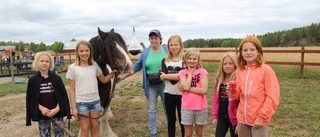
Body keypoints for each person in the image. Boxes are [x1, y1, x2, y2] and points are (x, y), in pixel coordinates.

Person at [117, 29, 168, 137]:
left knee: (167, 108)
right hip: (150, 86)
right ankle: (153, 131)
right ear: (149, 40)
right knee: (152, 109)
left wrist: (165, 68)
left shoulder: (166, 50)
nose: (154, 40)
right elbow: (136, 67)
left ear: (160, 39)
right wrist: (123, 77)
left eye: (156, 38)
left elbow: (174, 62)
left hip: (165, 84)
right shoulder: (145, 52)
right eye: (151, 38)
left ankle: (170, 127)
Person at [230, 36, 280, 137]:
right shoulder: (240, 71)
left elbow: (272, 97)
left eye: (252, 49)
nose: (248, 52)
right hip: (242, 119)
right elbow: (238, 97)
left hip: (258, 119)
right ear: (241, 53)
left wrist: (262, 117)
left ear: (258, 52)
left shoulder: (266, 70)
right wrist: (233, 90)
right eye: (245, 50)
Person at [66, 40, 117, 137]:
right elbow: (71, 89)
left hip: (95, 102)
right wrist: (73, 108)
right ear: (77, 52)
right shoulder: (73, 68)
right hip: (81, 104)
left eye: (86, 50)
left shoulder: (94, 66)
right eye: (81, 51)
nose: (84, 53)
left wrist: (112, 73)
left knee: (94, 128)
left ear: (90, 52)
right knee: (85, 129)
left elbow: (103, 79)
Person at [26, 51, 71, 137]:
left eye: (47, 61)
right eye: (42, 61)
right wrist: (41, 108)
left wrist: (57, 109)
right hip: (42, 115)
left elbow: (63, 96)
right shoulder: (33, 80)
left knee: (60, 134)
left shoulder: (56, 78)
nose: (44, 63)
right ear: (37, 62)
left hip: (57, 114)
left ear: (50, 63)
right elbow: (31, 98)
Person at [178, 48, 209, 137]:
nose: (191, 61)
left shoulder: (203, 72)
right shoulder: (182, 72)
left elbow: (203, 90)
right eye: (189, 58)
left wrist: (185, 89)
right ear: (185, 59)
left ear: (198, 60)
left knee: (199, 133)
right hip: (187, 108)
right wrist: (190, 73)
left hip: (201, 107)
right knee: (188, 133)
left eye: (194, 59)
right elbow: (186, 86)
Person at [160, 35, 185, 137]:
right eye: (171, 45)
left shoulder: (184, 60)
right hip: (168, 93)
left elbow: (183, 76)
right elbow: (162, 77)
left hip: (182, 94)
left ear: (180, 45)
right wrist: (167, 76)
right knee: (171, 120)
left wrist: (167, 76)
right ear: (168, 46)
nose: (173, 47)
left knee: (183, 120)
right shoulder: (165, 60)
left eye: (176, 44)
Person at [212, 52, 239, 137]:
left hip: (235, 118)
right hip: (222, 117)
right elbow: (215, 100)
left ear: (235, 64)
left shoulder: (238, 80)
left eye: (231, 63)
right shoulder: (219, 80)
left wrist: (239, 121)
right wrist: (215, 116)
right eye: (225, 64)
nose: (227, 66)